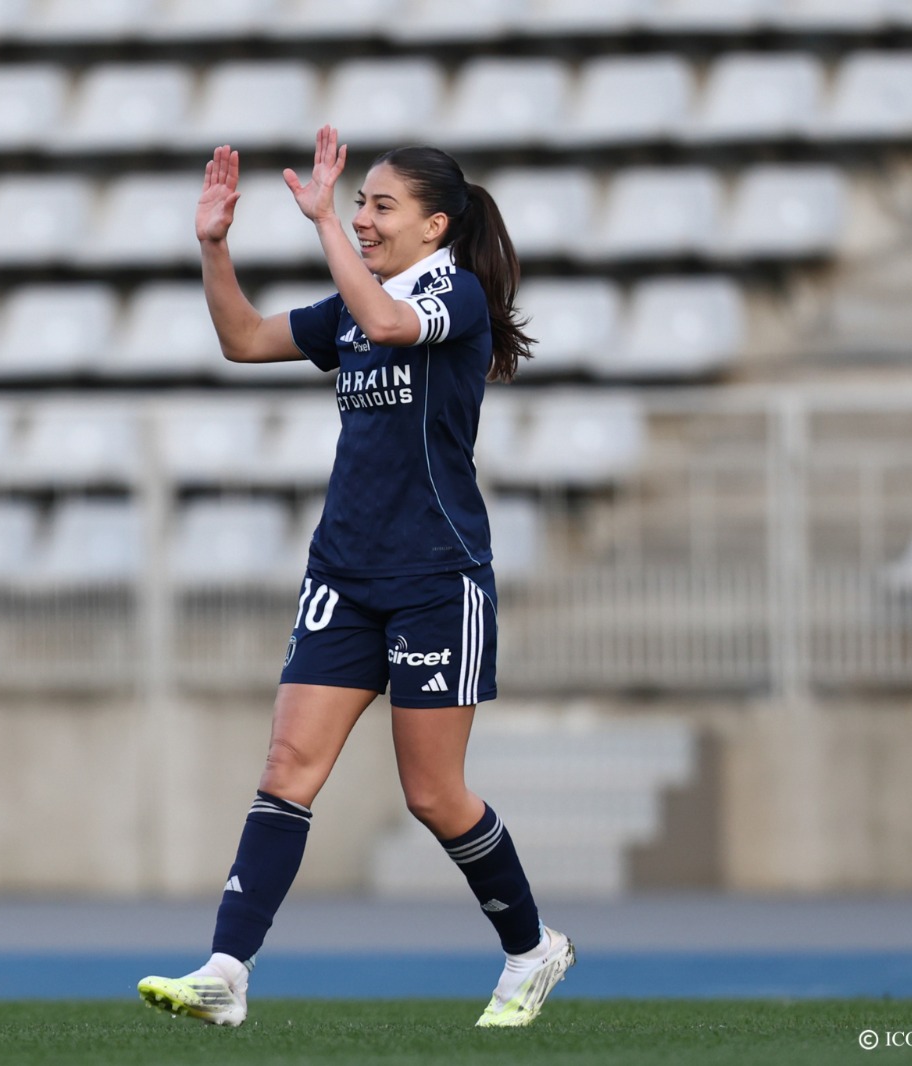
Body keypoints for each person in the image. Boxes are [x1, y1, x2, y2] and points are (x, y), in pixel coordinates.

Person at [137, 127, 572, 1029]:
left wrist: (325, 222)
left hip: (436, 578)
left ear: (435, 226)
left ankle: (532, 948)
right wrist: (214, 246)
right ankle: (227, 970)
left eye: (381, 206)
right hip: (343, 570)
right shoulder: (355, 300)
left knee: (433, 796)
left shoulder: (453, 293)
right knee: (287, 767)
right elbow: (243, 339)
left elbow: (386, 324)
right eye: (361, 204)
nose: (366, 219)